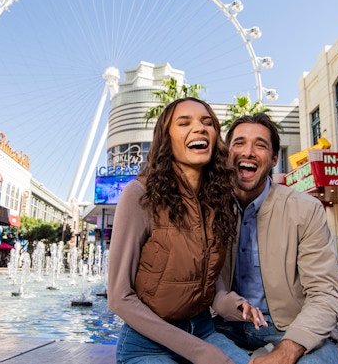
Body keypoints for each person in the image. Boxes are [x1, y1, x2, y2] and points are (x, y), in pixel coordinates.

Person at [108, 97, 257, 364]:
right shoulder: (140, 195)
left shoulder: (217, 201)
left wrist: (234, 305)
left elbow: (213, 285)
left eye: (207, 122)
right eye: (184, 122)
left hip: (204, 333)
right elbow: (119, 298)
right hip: (147, 346)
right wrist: (199, 352)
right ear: (167, 139)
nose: (199, 128)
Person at [212, 113, 338, 363]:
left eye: (260, 145)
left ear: (273, 159)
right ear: (227, 153)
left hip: (289, 328)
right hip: (222, 327)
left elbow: (325, 293)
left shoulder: (306, 209)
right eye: (239, 143)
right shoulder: (209, 207)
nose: (248, 152)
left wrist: (288, 350)